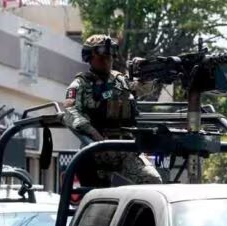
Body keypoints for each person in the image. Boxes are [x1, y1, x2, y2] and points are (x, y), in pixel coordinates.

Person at [62, 34, 162, 187]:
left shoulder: (121, 81)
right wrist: (93, 134)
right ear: (89, 57)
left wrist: (145, 71)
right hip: (96, 151)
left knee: (153, 181)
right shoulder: (81, 84)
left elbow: (145, 88)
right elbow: (71, 112)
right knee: (98, 198)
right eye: (101, 56)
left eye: (109, 56)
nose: (107, 60)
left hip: (125, 148)